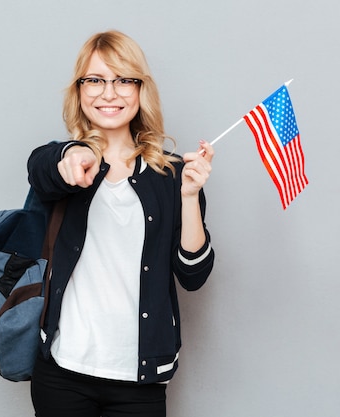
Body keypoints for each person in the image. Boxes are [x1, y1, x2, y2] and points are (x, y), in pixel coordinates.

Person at [27, 30, 215, 417]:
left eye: (122, 80)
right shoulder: (66, 161)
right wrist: (74, 154)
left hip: (139, 378)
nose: (108, 93)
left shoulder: (171, 174)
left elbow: (193, 275)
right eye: (95, 80)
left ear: (140, 89)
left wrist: (190, 196)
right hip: (63, 368)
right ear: (79, 90)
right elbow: (42, 168)